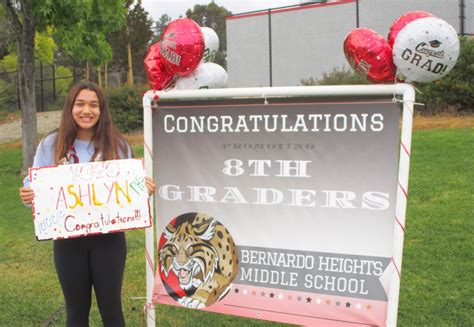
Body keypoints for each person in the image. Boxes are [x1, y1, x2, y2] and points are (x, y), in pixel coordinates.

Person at [19, 82, 155, 327]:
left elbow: (130, 190)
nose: (86, 110)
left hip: (109, 241)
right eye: (80, 104)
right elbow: (35, 186)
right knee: (76, 312)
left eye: (93, 105)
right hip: (68, 242)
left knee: (112, 310)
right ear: (70, 108)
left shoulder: (118, 144)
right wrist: (29, 194)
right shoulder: (50, 144)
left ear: (101, 110)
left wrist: (143, 189)